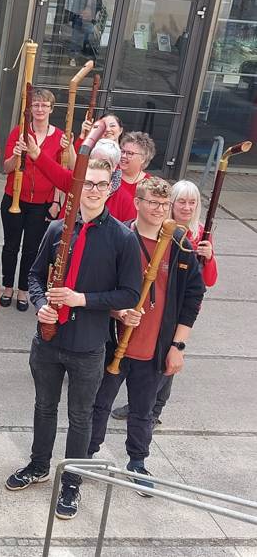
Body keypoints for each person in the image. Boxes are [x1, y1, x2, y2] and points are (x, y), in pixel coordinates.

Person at [5, 159, 142, 520]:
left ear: (110, 188)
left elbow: (130, 294)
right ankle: (38, 466)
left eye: (100, 184)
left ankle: (72, 483)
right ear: (76, 189)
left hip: (87, 344)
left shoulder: (123, 238)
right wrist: (39, 306)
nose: (93, 190)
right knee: (43, 408)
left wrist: (83, 300)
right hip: (48, 340)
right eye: (88, 184)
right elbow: (34, 276)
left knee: (80, 417)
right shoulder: (55, 230)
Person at [89, 177, 205, 495]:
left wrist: (178, 346)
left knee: (144, 410)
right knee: (99, 404)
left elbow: (194, 296)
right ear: (137, 202)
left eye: (163, 204)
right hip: (116, 342)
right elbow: (98, 289)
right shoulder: (118, 237)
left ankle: (137, 462)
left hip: (156, 344)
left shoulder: (179, 242)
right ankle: (87, 456)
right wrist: (117, 312)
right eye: (151, 202)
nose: (157, 209)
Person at [110, 179, 216, 424]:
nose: (186, 207)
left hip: (166, 327)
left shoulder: (188, 239)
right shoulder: (125, 235)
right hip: (123, 334)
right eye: (181, 202)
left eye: (192, 203)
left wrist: (208, 258)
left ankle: (154, 410)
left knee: (154, 390)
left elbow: (202, 285)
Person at [1, 88, 67, 311]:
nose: (39, 109)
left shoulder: (59, 137)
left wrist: (57, 202)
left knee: (32, 249)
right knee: (11, 246)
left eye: (44, 105)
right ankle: (7, 287)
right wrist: (16, 154)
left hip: (42, 203)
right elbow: (6, 167)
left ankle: (23, 290)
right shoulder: (19, 132)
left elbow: (61, 173)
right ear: (30, 109)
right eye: (36, 105)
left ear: (51, 108)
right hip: (14, 198)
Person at [26, 134, 136, 222]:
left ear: (114, 167)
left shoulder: (125, 201)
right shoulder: (76, 181)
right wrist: (34, 151)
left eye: (105, 164)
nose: (98, 167)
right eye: (94, 161)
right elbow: (53, 170)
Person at [118, 131, 155, 199]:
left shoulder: (149, 184)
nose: (123, 156)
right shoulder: (110, 173)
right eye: (122, 151)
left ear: (143, 158)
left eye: (129, 153)